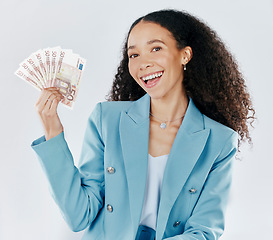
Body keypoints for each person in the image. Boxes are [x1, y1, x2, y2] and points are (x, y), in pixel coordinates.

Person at [31, 9, 255, 240]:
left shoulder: (219, 140)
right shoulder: (106, 119)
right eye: (134, 55)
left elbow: (204, 230)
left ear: (185, 55)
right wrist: (52, 131)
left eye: (156, 49)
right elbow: (79, 216)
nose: (143, 63)